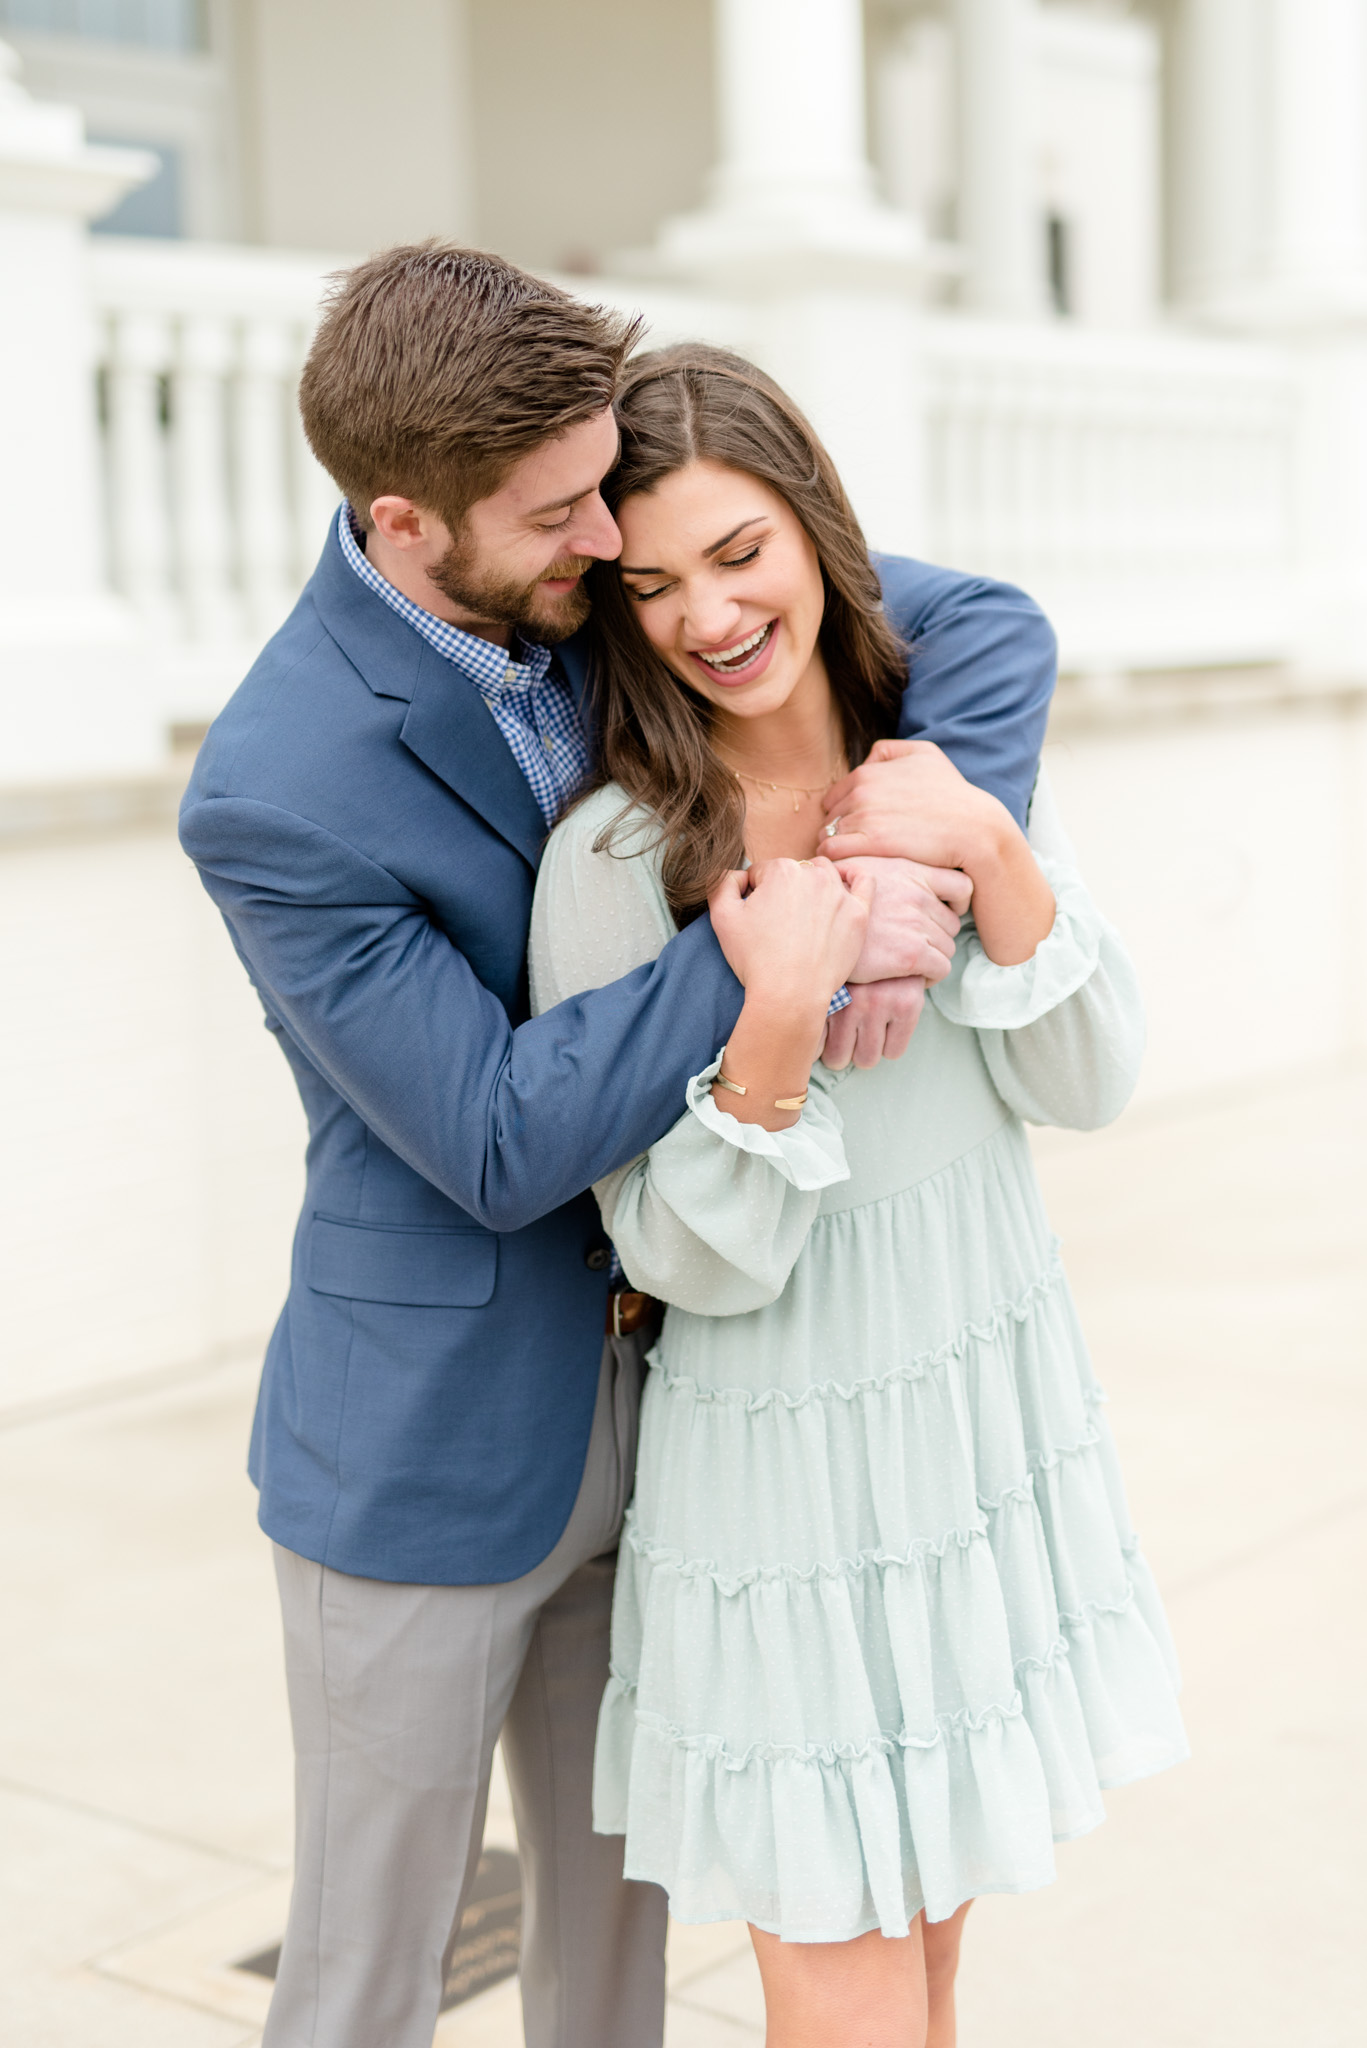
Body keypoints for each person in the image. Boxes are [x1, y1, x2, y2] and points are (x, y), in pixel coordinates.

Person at [179, 245, 1057, 2048]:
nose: (611, 537)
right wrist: (781, 922)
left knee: (617, 1973)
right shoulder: (272, 787)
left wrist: (912, 844)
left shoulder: (586, 589)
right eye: (565, 509)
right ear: (411, 523)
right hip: (427, 1458)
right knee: (367, 1981)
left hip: (689, 1430)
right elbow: (494, 1138)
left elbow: (962, 624)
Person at [528, 343, 1189, 2048]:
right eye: (656, 583)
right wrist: (771, 1012)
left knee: (932, 1970)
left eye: (739, 552)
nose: (708, 615)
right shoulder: (614, 859)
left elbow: (1087, 1081)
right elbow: (679, 1257)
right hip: (786, 1491)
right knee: (849, 1996)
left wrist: (994, 851)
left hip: (973, 1422)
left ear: (816, 530)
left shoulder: (936, 773)